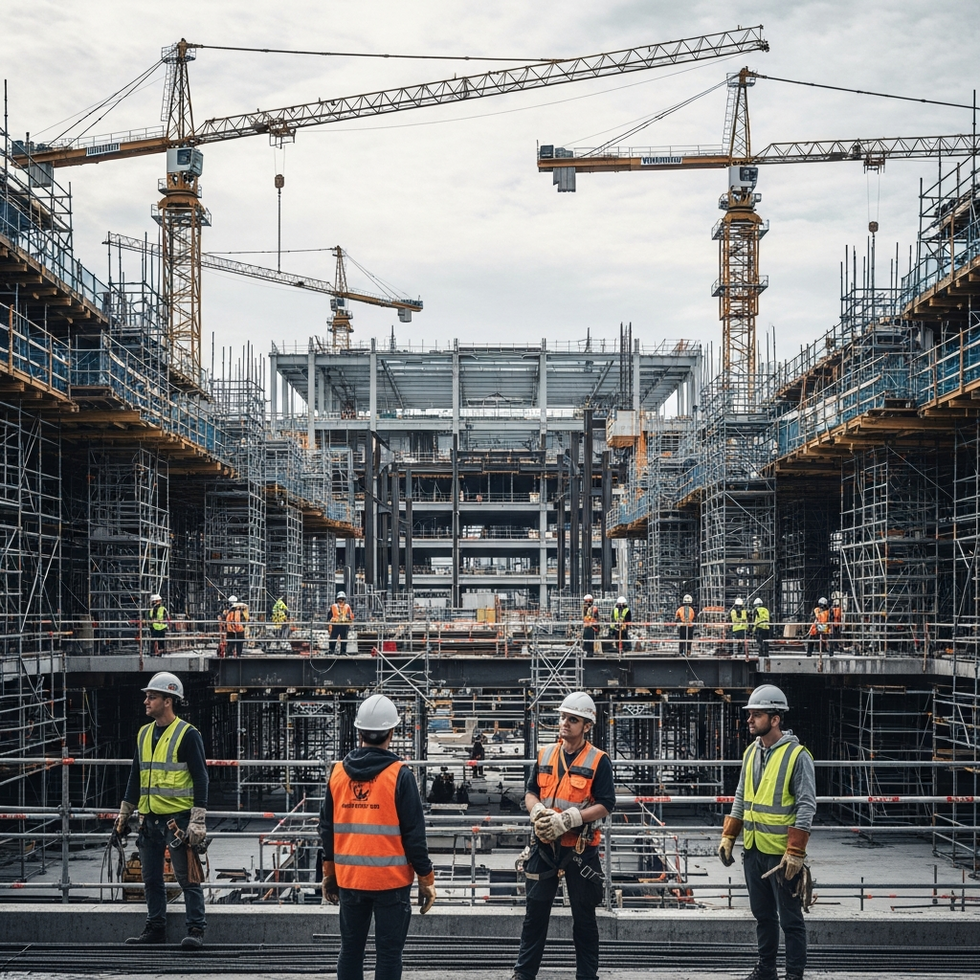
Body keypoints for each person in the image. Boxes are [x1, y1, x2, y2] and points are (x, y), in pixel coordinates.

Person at [319, 694, 435, 980]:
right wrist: (426, 880)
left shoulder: (337, 774)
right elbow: (414, 837)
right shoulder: (400, 776)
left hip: (351, 881)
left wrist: (329, 874)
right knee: (388, 956)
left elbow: (326, 830)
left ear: (359, 732)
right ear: (391, 733)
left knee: (350, 951)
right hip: (391, 884)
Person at [512, 691, 614, 980]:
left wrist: (573, 818)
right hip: (544, 847)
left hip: (579, 851)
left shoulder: (598, 761)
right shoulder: (545, 754)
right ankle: (523, 974)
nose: (564, 723)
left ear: (587, 726)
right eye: (563, 717)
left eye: (573, 719)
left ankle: (586, 976)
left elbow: (606, 803)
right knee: (535, 917)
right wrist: (537, 813)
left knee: (584, 919)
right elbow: (531, 792)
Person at [717, 685, 815, 980]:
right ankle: (766, 969)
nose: (749, 719)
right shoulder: (751, 753)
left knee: (791, 920)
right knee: (763, 917)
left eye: (756, 715)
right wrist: (729, 835)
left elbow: (806, 806)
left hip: (782, 856)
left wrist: (796, 852)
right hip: (754, 850)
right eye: (750, 714)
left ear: (775, 719)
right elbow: (741, 797)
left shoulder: (797, 756)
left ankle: (794, 975)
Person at [115, 672, 209, 949]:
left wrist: (198, 820)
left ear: (168, 701)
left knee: (187, 878)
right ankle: (155, 927)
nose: (146, 701)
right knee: (151, 879)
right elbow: (136, 775)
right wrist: (124, 813)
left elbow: (201, 777)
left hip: (176, 821)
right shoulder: (144, 733)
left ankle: (196, 929)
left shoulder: (188, 734)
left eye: (152, 697)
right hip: (149, 819)